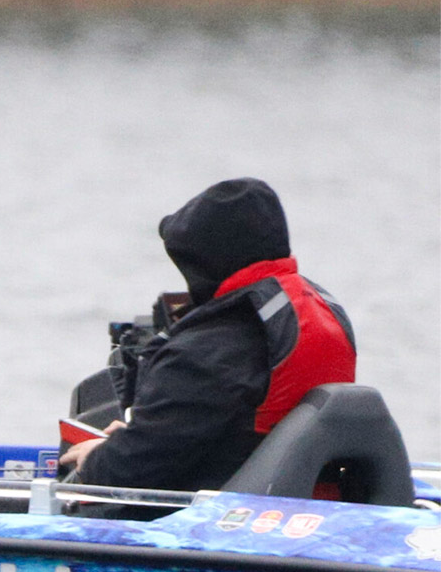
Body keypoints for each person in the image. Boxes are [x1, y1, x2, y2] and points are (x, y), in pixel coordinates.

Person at [64, 178, 357, 493]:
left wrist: (99, 457)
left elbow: (131, 469)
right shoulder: (319, 315)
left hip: (222, 519)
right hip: (306, 504)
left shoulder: (207, 350)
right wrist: (141, 438)